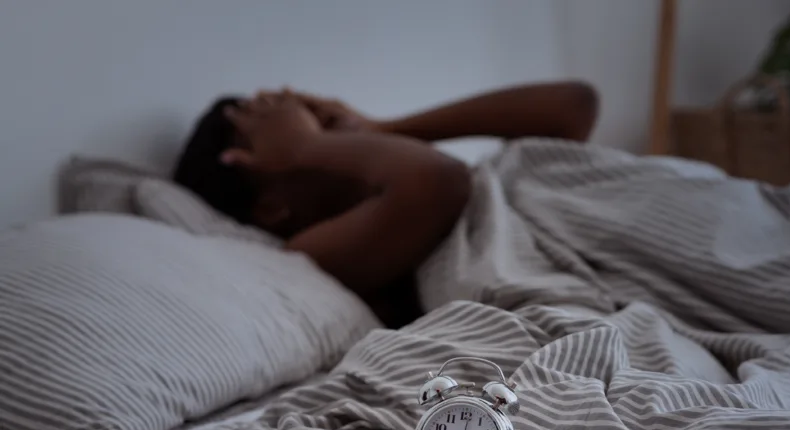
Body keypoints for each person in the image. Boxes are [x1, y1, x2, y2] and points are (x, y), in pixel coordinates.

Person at [173, 81, 600, 328]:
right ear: (271, 208)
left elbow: (575, 104)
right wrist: (310, 146)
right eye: (284, 133)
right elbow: (440, 182)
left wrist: (382, 127)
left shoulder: (417, 169)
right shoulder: (308, 255)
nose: (310, 120)